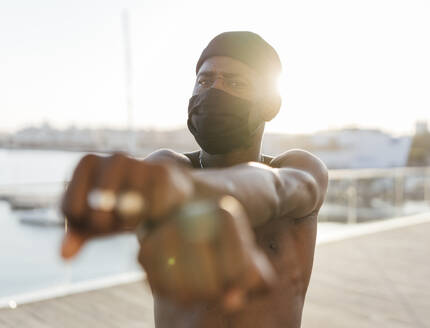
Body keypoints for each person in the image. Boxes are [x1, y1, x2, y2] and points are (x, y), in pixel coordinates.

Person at [60, 31, 328, 328]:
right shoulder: (171, 165)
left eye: (235, 82)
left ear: (269, 104)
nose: (214, 91)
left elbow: (275, 188)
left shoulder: (299, 167)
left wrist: (193, 191)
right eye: (204, 81)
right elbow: (156, 179)